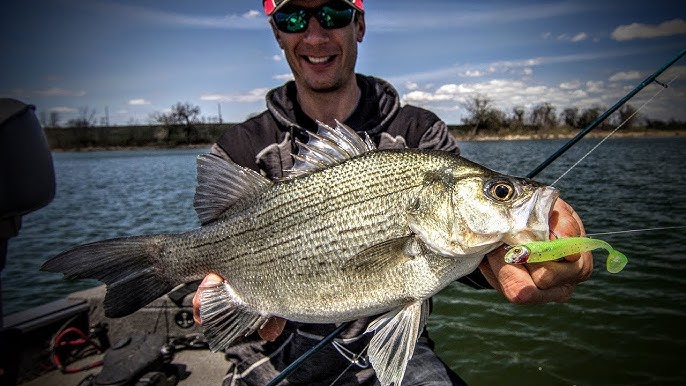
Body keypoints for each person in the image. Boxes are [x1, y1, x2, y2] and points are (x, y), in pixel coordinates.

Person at [192, 0, 593, 384]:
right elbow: (217, 262)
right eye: (294, 19)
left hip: (403, 347)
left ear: (359, 24)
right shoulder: (239, 148)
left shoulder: (421, 134)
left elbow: (470, 262)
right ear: (277, 33)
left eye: (333, 13)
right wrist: (221, 299)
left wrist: (518, 256)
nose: (315, 36)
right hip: (271, 355)